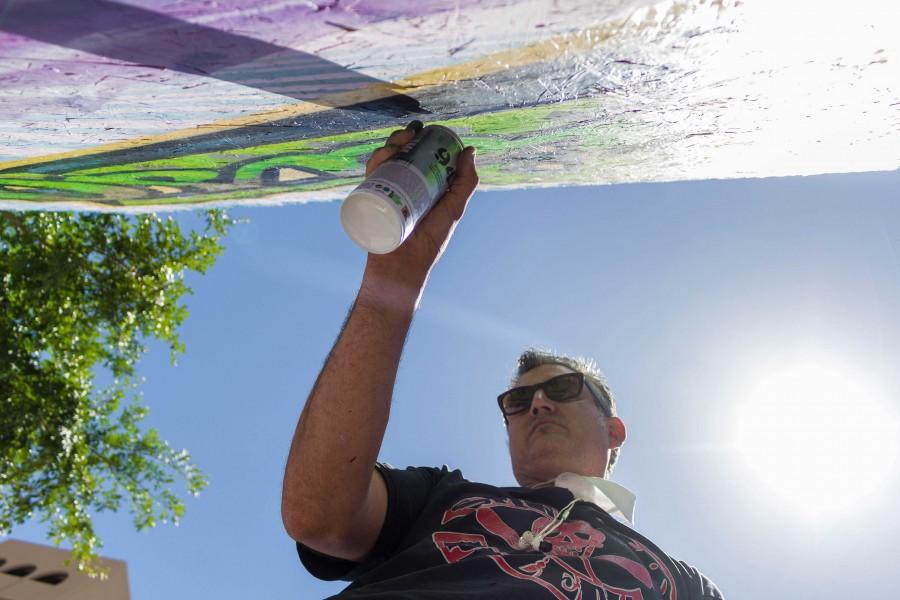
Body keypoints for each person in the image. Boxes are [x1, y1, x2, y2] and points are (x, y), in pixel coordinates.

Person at [281, 121, 724, 599]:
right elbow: (317, 514)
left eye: (561, 389)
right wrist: (393, 281)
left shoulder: (680, 582)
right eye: (518, 400)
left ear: (613, 430)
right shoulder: (440, 498)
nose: (537, 405)